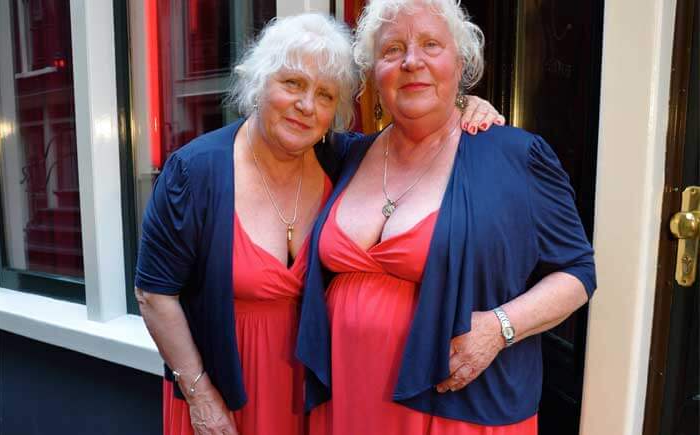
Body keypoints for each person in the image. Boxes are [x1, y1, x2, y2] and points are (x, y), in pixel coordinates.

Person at [134, 12, 503, 435]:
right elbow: (153, 293)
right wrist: (199, 394)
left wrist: (464, 105)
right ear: (260, 83)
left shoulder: (343, 161)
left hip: (314, 395)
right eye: (292, 83)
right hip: (223, 394)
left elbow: (417, 136)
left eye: (325, 95)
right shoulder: (195, 172)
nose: (306, 106)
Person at [296, 1, 597, 434]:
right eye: (392, 49)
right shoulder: (346, 154)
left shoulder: (516, 157)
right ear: (373, 73)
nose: (411, 61)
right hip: (349, 397)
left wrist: (499, 327)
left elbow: (578, 272)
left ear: (461, 62)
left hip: (458, 407)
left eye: (430, 45)